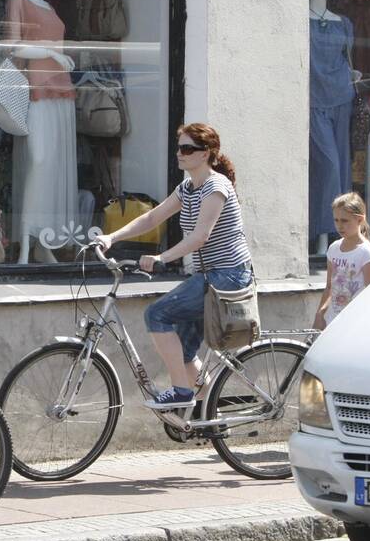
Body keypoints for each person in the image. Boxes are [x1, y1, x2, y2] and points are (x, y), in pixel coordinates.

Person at [95, 123, 252, 409]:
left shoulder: (216, 187)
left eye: (187, 148)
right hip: (208, 276)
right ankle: (208, 413)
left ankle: (181, 391)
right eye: (179, 147)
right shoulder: (188, 188)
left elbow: (200, 236)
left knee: (157, 314)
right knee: (182, 347)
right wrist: (112, 237)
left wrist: (161, 257)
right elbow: (152, 218)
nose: (180, 153)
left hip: (228, 276)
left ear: (206, 154)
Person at [6, 0, 77, 265]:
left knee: (52, 167)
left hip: (60, 90)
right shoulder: (18, 0)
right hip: (34, 90)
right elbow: (14, 47)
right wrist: (51, 53)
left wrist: (59, 58)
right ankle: (24, 242)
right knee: (36, 162)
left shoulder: (49, 7)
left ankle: (43, 243)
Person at [309, 0, 361, 255]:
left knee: (340, 167)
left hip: (341, 98)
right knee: (327, 165)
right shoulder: (300, 20)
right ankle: (321, 232)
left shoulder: (343, 22)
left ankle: (339, 236)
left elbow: (348, 59)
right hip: (313, 99)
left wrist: (354, 76)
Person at [313, 192, 370, 329]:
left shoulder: (366, 252)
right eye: (336, 220)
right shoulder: (334, 248)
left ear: (360, 220)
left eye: (345, 221)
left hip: (355, 323)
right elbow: (329, 287)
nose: (339, 226)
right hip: (333, 319)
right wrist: (319, 314)